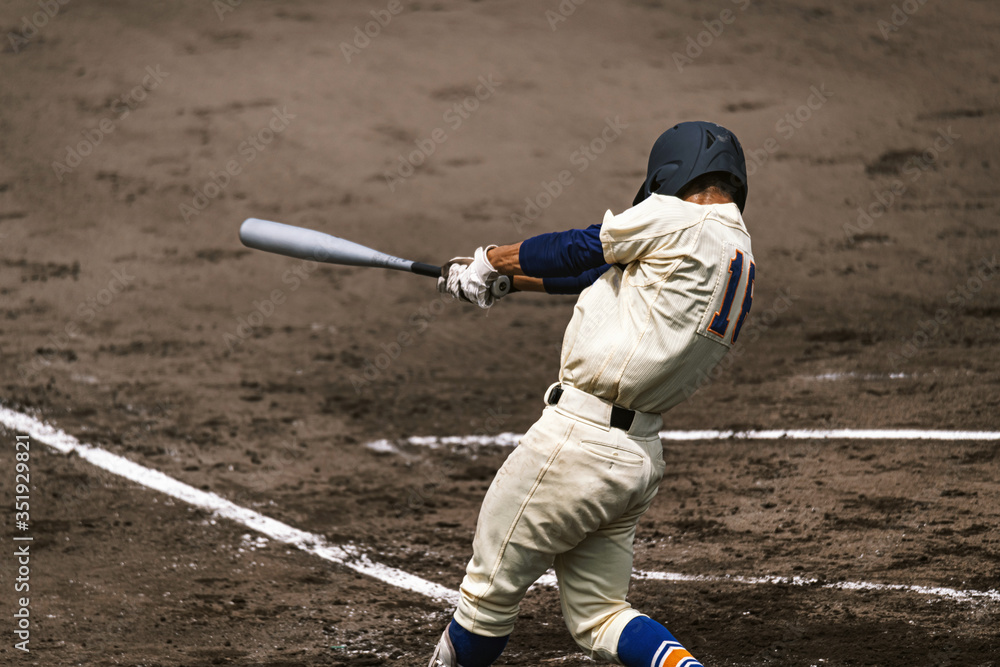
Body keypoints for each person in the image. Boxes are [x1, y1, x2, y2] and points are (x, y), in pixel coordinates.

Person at [430, 121, 755, 667]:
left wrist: (490, 258)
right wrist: (505, 280)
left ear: (671, 172)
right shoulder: (734, 249)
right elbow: (599, 271)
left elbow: (582, 245)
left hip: (576, 446)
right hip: (636, 459)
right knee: (601, 614)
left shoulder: (677, 215)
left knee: (485, 599)